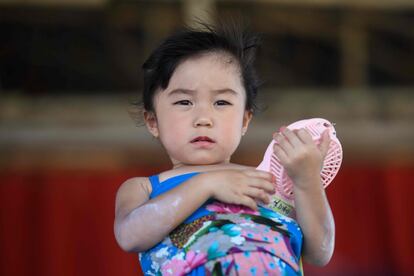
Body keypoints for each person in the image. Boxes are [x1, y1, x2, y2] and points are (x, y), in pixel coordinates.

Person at [114, 22, 335, 275]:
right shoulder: (142, 188)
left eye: (221, 102)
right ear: (153, 122)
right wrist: (207, 184)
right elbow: (130, 235)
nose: (204, 118)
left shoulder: (266, 184)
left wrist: (307, 181)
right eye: (184, 101)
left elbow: (320, 251)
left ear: (244, 121)